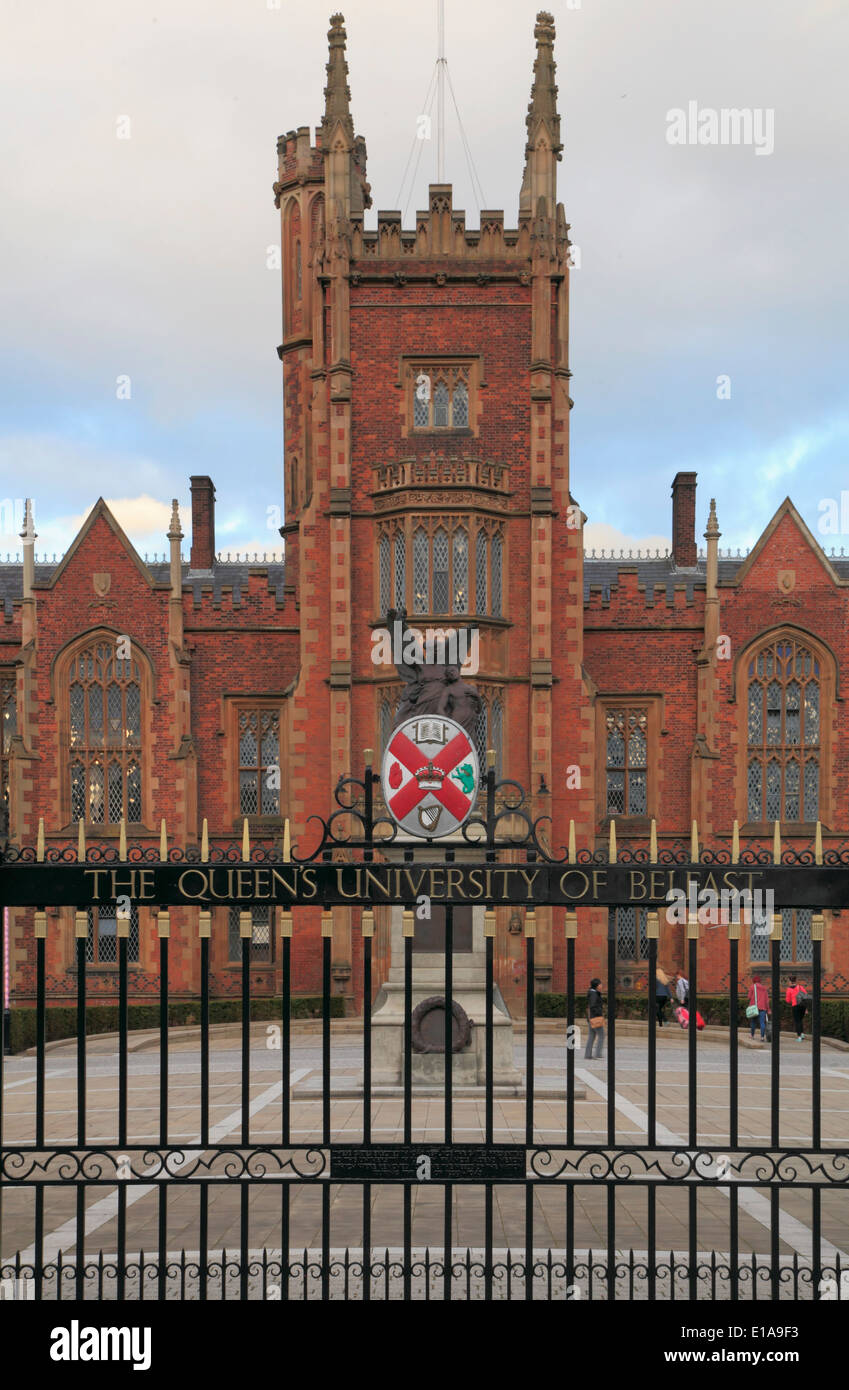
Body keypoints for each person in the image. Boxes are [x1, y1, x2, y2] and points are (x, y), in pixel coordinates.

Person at [585, 977, 604, 1059]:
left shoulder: (593, 992)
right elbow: (593, 1006)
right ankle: (598, 1054)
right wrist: (599, 1014)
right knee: (602, 1035)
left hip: (591, 1018)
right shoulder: (594, 994)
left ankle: (588, 1055)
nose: (602, 986)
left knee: (592, 1036)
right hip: (595, 1018)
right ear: (597, 985)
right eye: (600, 984)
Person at [785, 975, 808, 1041]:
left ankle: (799, 1037)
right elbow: (806, 996)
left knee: (797, 1021)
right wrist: (806, 1008)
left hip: (795, 1006)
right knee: (800, 1020)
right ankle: (802, 1033)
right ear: (795, 981)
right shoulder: (801, 987)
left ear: (790, 981)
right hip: (803, 1006)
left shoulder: (789, 989)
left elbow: (788, 1000)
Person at [747, 975, 770, 1041]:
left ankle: (752, 1035)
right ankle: (762, 1037)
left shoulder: (752, 987)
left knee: (753, 1022)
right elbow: (767, 1000)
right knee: (762, 1023)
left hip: (754, 1008)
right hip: (763, 1008)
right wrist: (768, 1009)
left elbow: (749, 997)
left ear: (753, 981)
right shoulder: (764, 988)